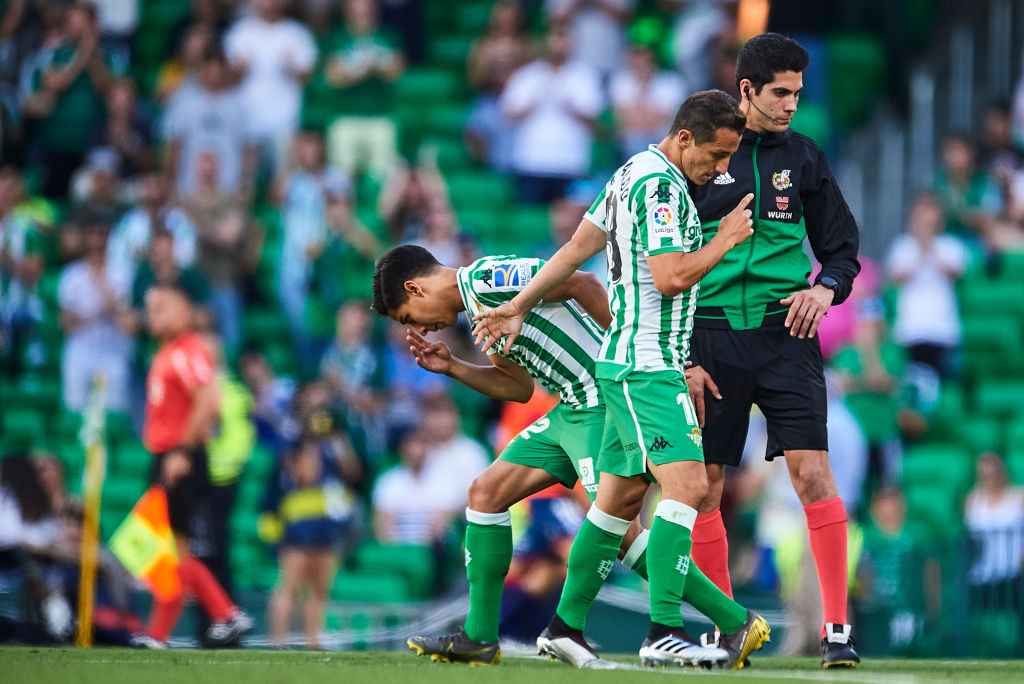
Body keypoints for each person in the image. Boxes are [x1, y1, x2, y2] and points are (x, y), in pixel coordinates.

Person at [377, 134, 765, 666]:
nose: (416, 328)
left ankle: (732, 620)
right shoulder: (478, 311)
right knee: (486, 493)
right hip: (565, 408)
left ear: (415, 291)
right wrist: (453, 367)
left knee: (619, 526)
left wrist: (626, 344)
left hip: (600, 397)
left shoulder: (489, 279)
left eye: (406, 318)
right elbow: (515, 386)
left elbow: (581, 282)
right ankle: (479, 635)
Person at [683, 34, 861, 668]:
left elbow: (842, 248)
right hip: (708, 333)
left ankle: (836, 631)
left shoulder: (807, 158)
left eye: (798, 94)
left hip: (787, 333)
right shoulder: (700, 155)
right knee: (704, 487)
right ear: (748, 90)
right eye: (781, 92)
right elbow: (665, 259)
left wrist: (826, 289)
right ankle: (731, 632)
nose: (791, 105)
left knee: (813, 474)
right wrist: (680, 346)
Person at [130, 281, 252, 649]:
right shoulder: (169, 350)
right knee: (163, 550)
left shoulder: (187, 349)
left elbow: (209, 400)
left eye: (162, 307)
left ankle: (223, 614)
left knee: (164, 549)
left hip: (178, 457)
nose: (153, 315)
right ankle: (197, 623)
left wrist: (182, 451)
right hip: (168, 456)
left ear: (185, 310)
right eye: (149, 308)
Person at [263, 435, 354, 649]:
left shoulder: (331, 472)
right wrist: (276, 542)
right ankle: (278, 642)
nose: (313, 461)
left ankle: (313, 640)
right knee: (289, 588)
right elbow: (269, 511)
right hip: (296, 541)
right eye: (308, 456)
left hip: (325, 539)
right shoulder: (285, 478)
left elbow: (346, 491)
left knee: (319, 591)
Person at [500, 26, 603, 204]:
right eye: (555, 39)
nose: (558, 46)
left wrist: (569, 104)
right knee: (528, 220)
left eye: (563, 40)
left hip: (571, 163)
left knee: (572, 224)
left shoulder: (585, 76)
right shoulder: (527, 75)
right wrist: (534, 102)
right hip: (531, 162)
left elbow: (595, 120)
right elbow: (508, 115)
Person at [224, 0, 317, 176]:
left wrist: (291, 68)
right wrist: (239, 70)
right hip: (247, 120)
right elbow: (222, 79)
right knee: (245, 181)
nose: (270, 3)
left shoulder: (297, 33)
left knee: (285, 182)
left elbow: (308, 76)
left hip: (285, 121)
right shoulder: (239, 32)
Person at [885, 193, 967, 379]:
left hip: (943, 329)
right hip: (911, 329)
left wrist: (929, 246)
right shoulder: (903, 245)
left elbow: (955, 273)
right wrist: (919, 248)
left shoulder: (951, 245)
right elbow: (897, 276)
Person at [57, 215, 133, 412]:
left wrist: (92, 312)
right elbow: (66, 323)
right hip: (81, 350)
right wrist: (103, 310)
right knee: (75, 410)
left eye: (102, 234)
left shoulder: (123, 272)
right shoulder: (71, 274)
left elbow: (124, 318)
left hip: (113, 351)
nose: (97, 240)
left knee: (114, 413)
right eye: (92, 234)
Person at [323, 0, 405, 180]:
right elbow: (333, 77)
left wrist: (366, 70)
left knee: (381, 177)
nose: (363, 9)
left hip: (381, 116)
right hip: (345, 117)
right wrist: (363, 71)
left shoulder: (388, 36)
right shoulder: (338, 37)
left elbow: (396, 71)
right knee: (341, 178)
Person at [162, 45, 258, 197]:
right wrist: (170, 181)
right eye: (210, 66)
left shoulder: (239, 105)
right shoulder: (183, 102)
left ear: (225, 70)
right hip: (188, 190)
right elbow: (174, 145)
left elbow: (248, 147)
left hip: (228, 191)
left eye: (219, 67)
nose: (215, 73)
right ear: (201, 69)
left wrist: (246, 183)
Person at [964, 452, 1024, 612]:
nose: (990, 476)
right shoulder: (972, 500)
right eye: (985, 472)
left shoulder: (1019, 496)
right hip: (981, 573)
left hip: (1014, 572)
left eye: (994, 471)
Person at [610, 41, 687, 159]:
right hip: (628, 146)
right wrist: (642, 86)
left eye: (644, 57)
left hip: (661, 146)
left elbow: (656, 120)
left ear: (653, 59)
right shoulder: (620, 81)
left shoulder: (671, 82)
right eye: (636, 57)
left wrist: (645, 85)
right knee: (635, 144)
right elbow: (622, 120)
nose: (640, 62)